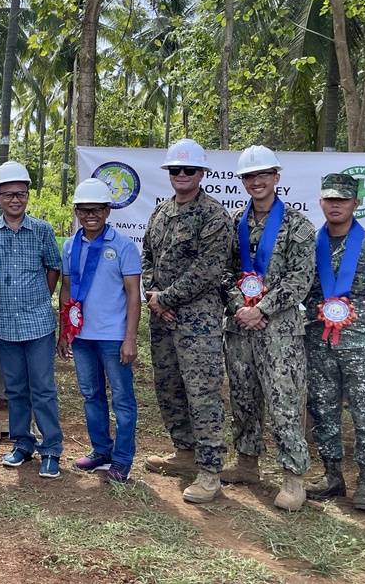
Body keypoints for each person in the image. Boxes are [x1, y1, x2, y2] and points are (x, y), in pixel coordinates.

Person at [303, 173, 365, 511]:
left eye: (343, 200)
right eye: (329, 199)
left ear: (355, 204)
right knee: (323, 408)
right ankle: (332, 475)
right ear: (321, 202)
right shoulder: (310, 244)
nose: (335, 205)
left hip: (361, 346)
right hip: (318, 340)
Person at [221, 146, 315, 511]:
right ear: (242, 182)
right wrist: (238, 307)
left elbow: (300, 278)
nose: (256, 182)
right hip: (240, 329)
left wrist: (261, 308)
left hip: (280, 334)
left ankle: (293, 478)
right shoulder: (234, 224)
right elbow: (224, 273)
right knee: (243, 397)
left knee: (284, 402)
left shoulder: (297, 225)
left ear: (277, 177)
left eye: (263, 175)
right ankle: (247, 463)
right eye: (249, 176)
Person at [142, 138, 232, 504]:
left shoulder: (215, 216)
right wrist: (153, 296)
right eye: (175, 170)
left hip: (199, 322)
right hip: (163, 318)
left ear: (202, 173)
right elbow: (146, 256)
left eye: (188, 170)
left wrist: (164, 298)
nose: (181, 175)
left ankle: (211, 470)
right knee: (169, 387)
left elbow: (207, 271)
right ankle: (183, 453)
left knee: (203, 394)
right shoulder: (161, 212)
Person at [0, 161, 64, 479]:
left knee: (43, 388)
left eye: (22, 194)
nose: (16, 199)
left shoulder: (42, 230)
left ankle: (51, 449)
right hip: (6, 324)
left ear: (28, 196)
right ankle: (23, 444)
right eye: (9, 194)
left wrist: (43, 296)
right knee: (14, 389)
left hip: (39, 322)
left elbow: (54, 267)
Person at [57, 178, 142, 484]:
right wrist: (64, 331)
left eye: (97, 209)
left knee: (122, 399)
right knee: (91, 395)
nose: (90, 215)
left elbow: (134, 294)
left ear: (108, 211)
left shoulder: (123, 246)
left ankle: (121, 460)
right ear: (76, 211)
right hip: (81, 337)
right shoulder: (69, 245)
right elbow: (66, 289)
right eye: (83, 209)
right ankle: (101, 451)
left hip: (113, 337)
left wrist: (130, 338)